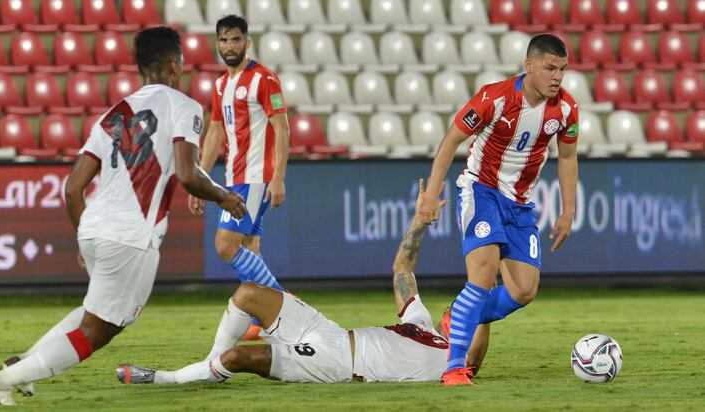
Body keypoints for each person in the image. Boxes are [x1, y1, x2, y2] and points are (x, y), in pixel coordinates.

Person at [0, 26, 247, 406]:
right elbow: (188, 174)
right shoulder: (183, 107)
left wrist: (83, 238)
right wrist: (223, 196)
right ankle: (1, 380)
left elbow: (73, 188)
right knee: (102, 328)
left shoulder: (113, 114)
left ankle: (25, 363)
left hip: (94, 228)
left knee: (95, 312)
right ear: (173, 65)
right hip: (131, 236)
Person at [115, 180, 491, 385]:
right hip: (330, 332)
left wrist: (486, 299)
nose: (454, 308)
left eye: (464, 310)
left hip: (336, 365)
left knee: (237, 358)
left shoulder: (452, 361)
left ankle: (168, 379)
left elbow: (474, 355)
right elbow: (402, 272)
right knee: (247, 293)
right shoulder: (421, 324)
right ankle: (208, 364)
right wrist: (418, 224)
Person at [417, 33, 580, 387]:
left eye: (562, 70)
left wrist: (568, 211)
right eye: (550, 68)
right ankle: (454, 369)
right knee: (483, 274)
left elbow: (567, 156)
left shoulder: (566, 109)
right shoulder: (495, 98)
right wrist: (432, 193)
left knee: (524, 291)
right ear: (529, 66)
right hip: (482, 190)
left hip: (520, 204)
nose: (557, 77)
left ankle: (456, 317)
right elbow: (451, 140)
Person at [187, 16, 290, 339]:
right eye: (223, 40)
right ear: (217, 43)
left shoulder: (264, 79)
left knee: (225, 245)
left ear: (247, 42)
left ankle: (284, 310)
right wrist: (199, 178)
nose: (229, 46)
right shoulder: (220, 85)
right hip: (234, 178)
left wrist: (279, 178)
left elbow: (281, 127)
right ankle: (264, 322)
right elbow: (215, 132)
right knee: (249, 248)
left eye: (234, 40)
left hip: (257, 176)